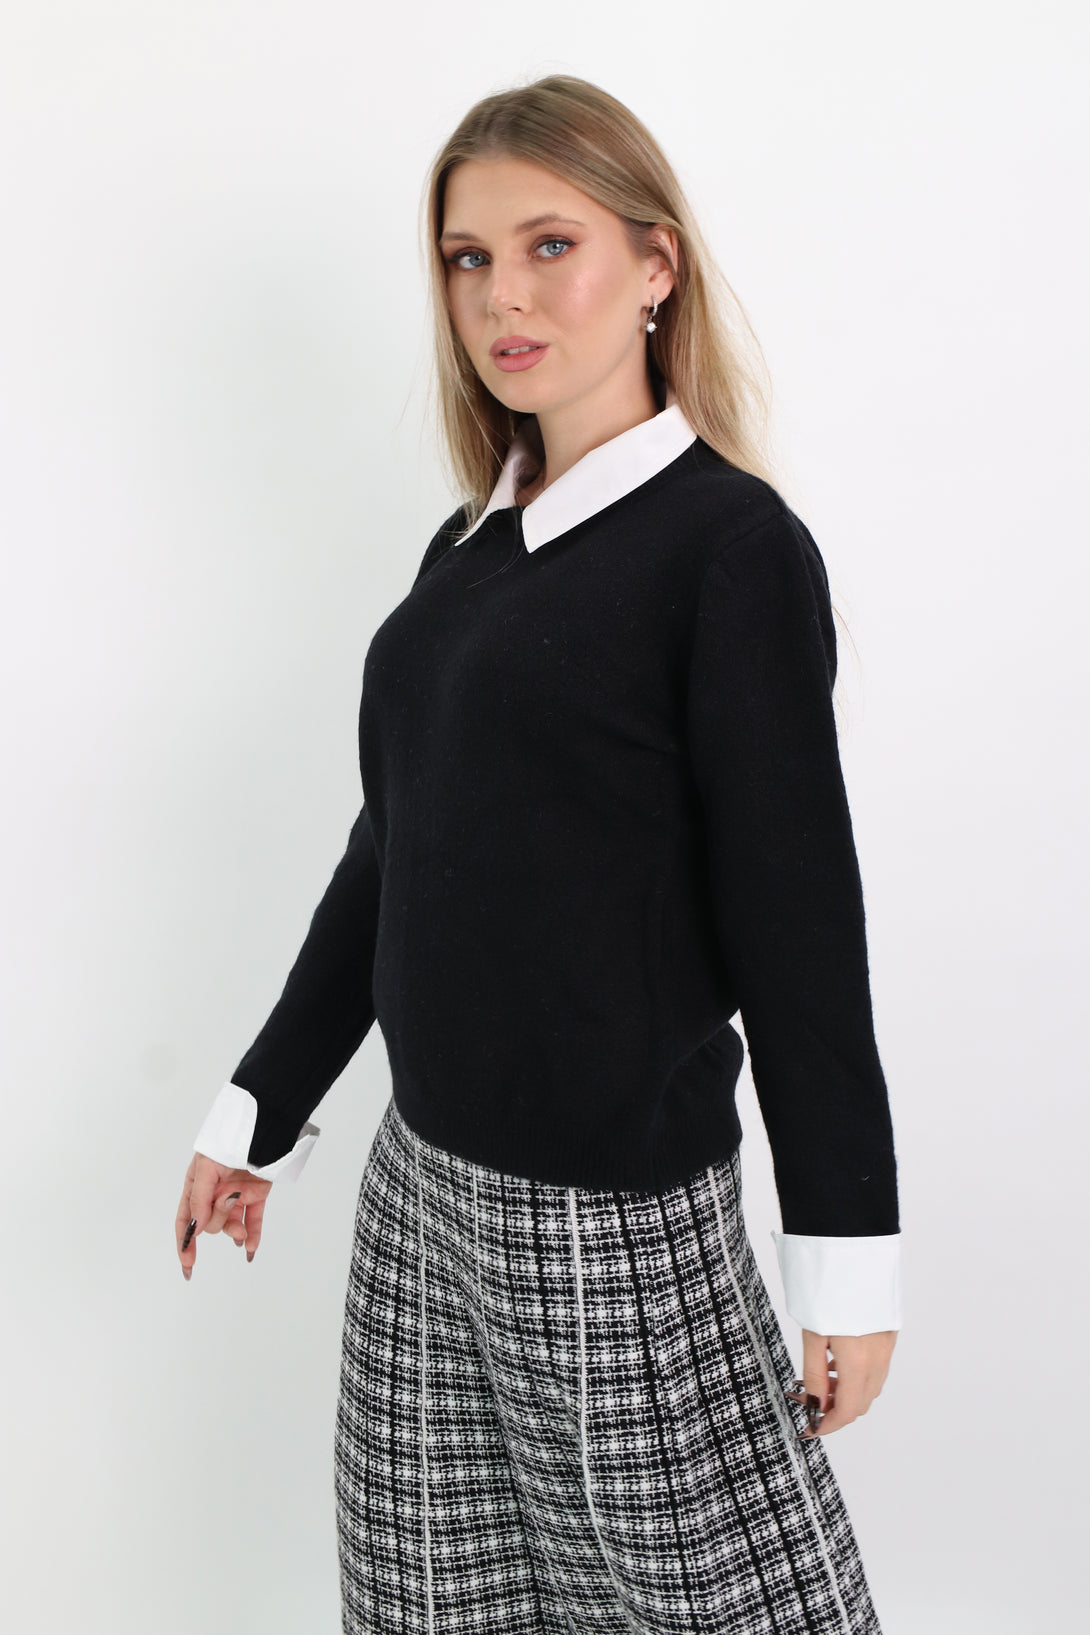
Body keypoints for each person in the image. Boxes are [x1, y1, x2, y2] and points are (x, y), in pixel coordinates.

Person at [175, 73, 901, 1635]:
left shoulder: (728, 551)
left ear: (654, 266)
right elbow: (392, 852)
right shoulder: (465, 548)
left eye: (547, 245)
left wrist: (845, 1259)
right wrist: (258, 1111)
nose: (501, 295)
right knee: (434, 1604)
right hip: (421, 1187)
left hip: (607, 1217)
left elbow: (797, 925)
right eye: (466, 258)